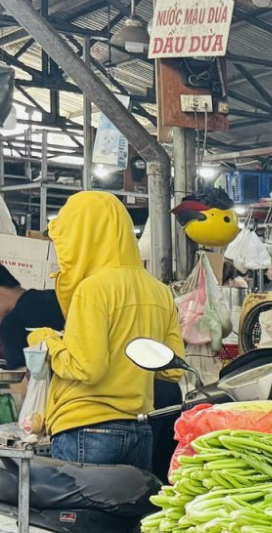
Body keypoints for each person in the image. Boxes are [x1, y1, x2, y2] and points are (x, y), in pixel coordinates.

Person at [27, 189, 187, 467]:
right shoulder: (160, 291)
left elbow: (87, 368)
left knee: (78, 512)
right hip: (139, 429)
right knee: (129, 510)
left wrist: (48, 340)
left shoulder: (92, 289)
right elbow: (173, 369)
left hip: (86, 426)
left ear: (83, 235)